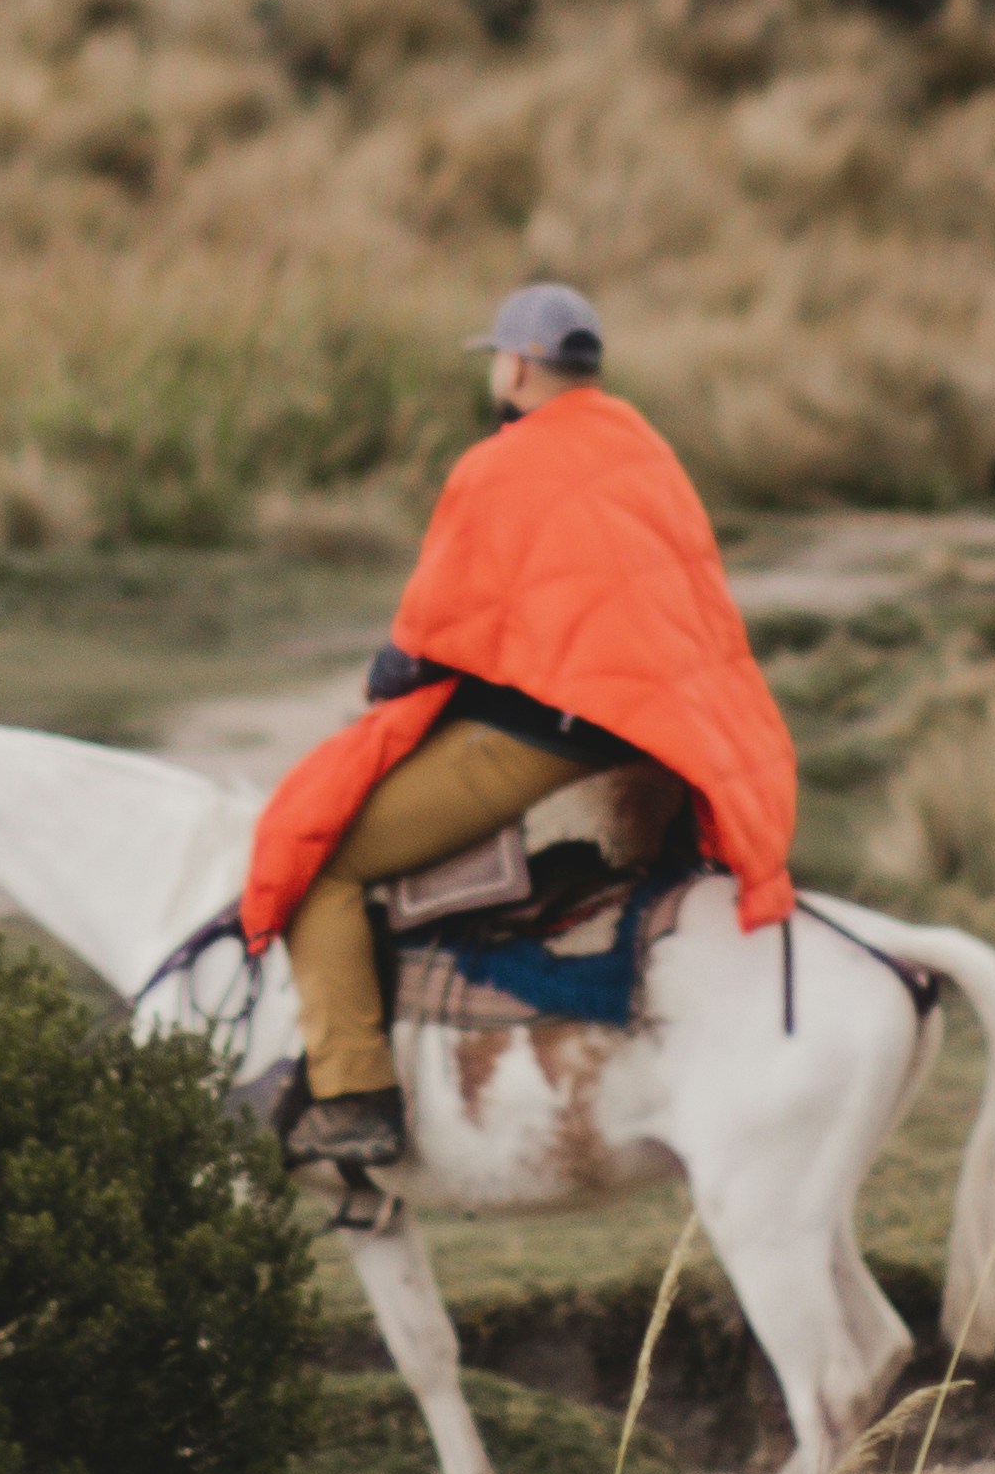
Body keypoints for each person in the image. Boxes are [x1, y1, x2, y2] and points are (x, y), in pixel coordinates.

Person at [238, 278, 797, 1226]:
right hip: (645, 737)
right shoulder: (644, 449)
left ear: (518, 365)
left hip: (536, 745)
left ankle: (354, 1100)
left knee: (325, 862)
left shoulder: (499, 465)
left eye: (499, 358)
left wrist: (392, 676)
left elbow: (425, 640)